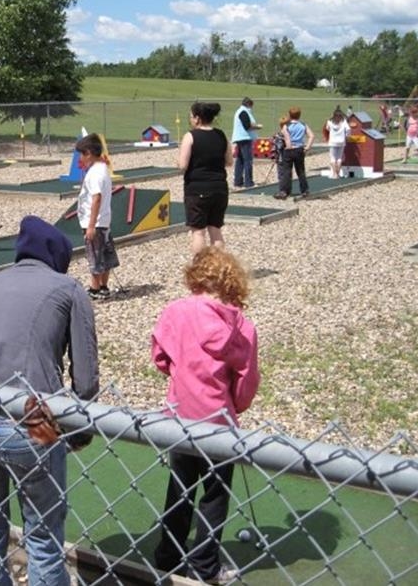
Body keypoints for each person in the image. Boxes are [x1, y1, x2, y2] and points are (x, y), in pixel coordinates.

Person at [0, 214, 99, 586]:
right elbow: (84, 380)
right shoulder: (68, 289)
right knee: (44, 539)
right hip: (34, 414)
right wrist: (76, 432)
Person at [151, 246, 260, 586]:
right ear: (231, 282)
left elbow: (160, 355)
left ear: (195, 277)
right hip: (218, 423)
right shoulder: (241, 326)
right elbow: (246, 382)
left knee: (181, 486)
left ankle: (168, 555)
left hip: (180, 417)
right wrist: (236, 405)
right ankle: (204, 565)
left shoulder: (175, 312)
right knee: (215, 494)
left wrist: (178, 374)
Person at [178, 102, 231, 254]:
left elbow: (182, 165)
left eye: (191, 116)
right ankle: (217, 267)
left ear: (197, 118)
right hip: (220, 188)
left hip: (197, 188)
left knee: (198, 232)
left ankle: (200, 269)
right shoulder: (221, 135)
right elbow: (229, 161)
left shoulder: (190, 136)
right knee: (215, 230)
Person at [75, 132, 120, 300]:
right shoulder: (103, 169)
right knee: (105, 254)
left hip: (94, 222)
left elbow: (96, 198)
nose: (81, 158)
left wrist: (91, 225)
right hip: (105, 220)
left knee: (94, 255)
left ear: (88, 153)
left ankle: (94, 289)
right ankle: (103, 286)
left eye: (82, 154)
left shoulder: (94, 173)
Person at [277, 106, 314, 198]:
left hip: (289, 149)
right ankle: (305, 190)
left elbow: (287, 138)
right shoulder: (303, 124)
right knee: (301, 171)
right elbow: (311, 136)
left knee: (287, 171)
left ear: (289, 115)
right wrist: (307, 147)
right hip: (299, 149)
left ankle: (284, 191)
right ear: (299, 115)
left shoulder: (286, 126)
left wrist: (288, 147)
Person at [230, 97, 262, 189]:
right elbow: (247, 126)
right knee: (248, 160)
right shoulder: (243, 112)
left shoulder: (240, 111)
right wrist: (257, 127)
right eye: (251, 105)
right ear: (248, 104)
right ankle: (248, 182)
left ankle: (238, 181)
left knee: (240, 160)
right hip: (244, 138)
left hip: (240, 138)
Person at [325, 108, 350, 179]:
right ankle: (338, 174)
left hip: (332, 141)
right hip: (341, 141)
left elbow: (327, 128)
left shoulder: (329, 121)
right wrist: (347, 136)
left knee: (333, 158)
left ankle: (334, 174)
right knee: (339, 158)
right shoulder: (343, 121)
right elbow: (348, 129)